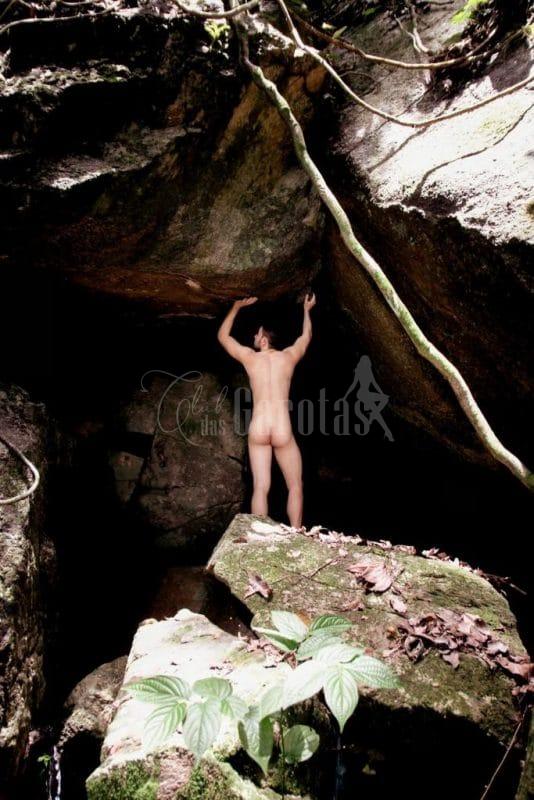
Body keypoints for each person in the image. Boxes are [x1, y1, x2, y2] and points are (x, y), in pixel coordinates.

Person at [217, 293, 316, 528]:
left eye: (257, 334)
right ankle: (295, 534)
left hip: (259, 427)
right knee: (295, 486)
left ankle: (259, 534)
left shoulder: (250, 358)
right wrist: (306, 310)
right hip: (281, 427)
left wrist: (235, 308)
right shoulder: (289, 357)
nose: (254, 336)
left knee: (261, 486)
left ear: (264, 341)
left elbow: (223, 337)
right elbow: (306, 336)